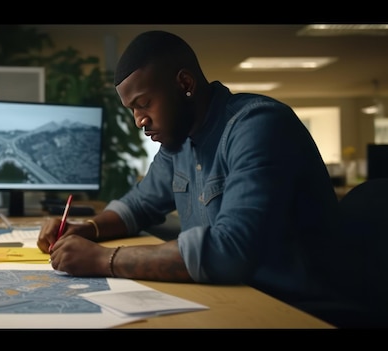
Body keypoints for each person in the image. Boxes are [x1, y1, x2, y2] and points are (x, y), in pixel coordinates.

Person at [37, 30, 356, 326]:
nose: (139, 121)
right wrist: (87, 229)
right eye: (132, 109)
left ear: (185, 83)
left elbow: (231, 250)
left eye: (144, 104)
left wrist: (103, 259)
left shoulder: (257, 126)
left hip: (299, 310)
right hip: (231, 300)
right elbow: (136, 206)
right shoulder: (179, 143)